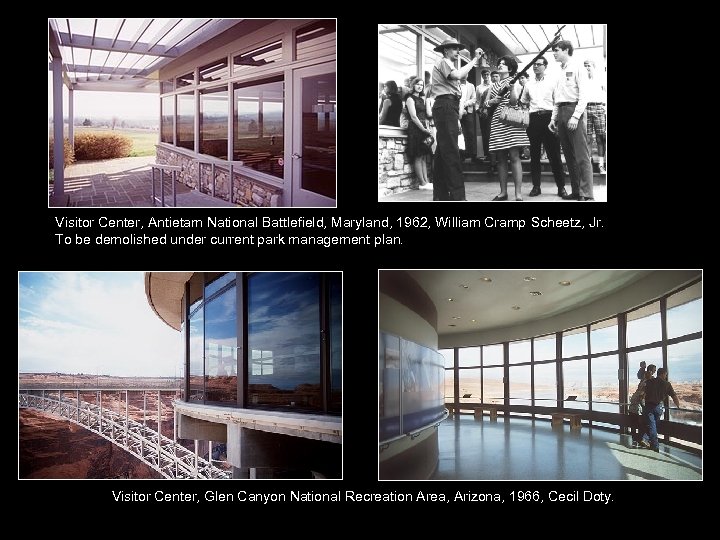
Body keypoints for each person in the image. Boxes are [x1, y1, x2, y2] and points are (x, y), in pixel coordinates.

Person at [430, 39, 484, 201]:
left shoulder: (445, 62)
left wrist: (458, 113)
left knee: (442, 152)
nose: (457, 51)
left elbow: (456, 82)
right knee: (452, 152)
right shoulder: (444, 61)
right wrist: (475, 60)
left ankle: (440, 195)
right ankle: (458, 196)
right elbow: (458, 75)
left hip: (447, 106)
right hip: (445, 105)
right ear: (445, 50)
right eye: (454, 49)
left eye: (457, 48)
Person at [548, 40, 594, 201]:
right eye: (554, 50)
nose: (554, 53)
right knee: (569, 156)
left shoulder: (577, 67)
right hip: (561, 111)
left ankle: (587, 193)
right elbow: (557, 98)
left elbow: (584, 95)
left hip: (574, 110)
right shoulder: (559, 72)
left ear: (566, 50)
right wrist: (553, 118)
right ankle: (576, 191)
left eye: (557, 50)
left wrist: (575, 116)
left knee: (582, 155)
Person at [521, 57, 567, 197]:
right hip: (533, 119)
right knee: (534, 155)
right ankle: (536, 187)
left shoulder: (553, 82)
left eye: (538, 64)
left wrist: (555, 121)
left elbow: (557, 102)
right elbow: (523, 101)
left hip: (549, 119)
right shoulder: (528, 84)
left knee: (554, 155)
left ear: (545, 66)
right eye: (534, 64)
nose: (535, 66)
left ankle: (561, 187)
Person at [486, 56, 530, 201]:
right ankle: (503, 192)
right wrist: (492, 101)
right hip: (497, 121)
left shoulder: (514, 82)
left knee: (514, 156)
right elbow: (486, 103)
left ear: (510, 69)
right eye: (499, 64)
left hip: (510, 119)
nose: (500, 65)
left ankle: (518, 194)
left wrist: (511, 89)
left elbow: (513, 102)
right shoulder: (494, 85)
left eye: (504, 64)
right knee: (501, 158)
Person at [404, 77, 433, 190]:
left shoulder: (421, 99)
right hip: (415, 129)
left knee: (423, 156)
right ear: (413, 85)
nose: (420, 86)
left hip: (423, 129)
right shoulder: (410, 99)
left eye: (421, 85)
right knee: (418, 156)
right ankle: (422, 183)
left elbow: (425, 115)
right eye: (418, 84)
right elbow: (414, 117)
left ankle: (426, 181)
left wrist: (426, 128)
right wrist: (423, 129)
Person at [643, 367, 680, 452]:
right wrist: (678, 406)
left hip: (648, 407)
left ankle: (647, 439)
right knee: (654, 425)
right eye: (665, 374)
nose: (665, 376)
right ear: (663, 374)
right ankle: (653, 444)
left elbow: (643, 394)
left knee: (652, 425)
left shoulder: (649, 382)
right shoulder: (667, 384)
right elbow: (674, 397)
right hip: (658, 407)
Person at [583, 59, 607, 174]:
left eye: (589, 66)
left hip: (599, 108)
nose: (587, 68)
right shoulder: (582, 80)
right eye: (585, 66)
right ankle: (589, 165)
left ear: (594, 66)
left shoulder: (601, 78)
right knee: (587, 138)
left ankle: (601, 165)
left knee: (600, 137)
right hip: (586, 108)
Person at [459, 76, 478, 161]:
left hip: (468, 111)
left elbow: (474, 99)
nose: (464, 76)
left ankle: (473, 155)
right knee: (459, 134)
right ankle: (461, 155)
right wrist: (460, 109)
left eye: (466, 74)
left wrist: (465, 104)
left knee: (470, 133)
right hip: (457, 111)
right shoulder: (455, 85)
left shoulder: (471, 86)